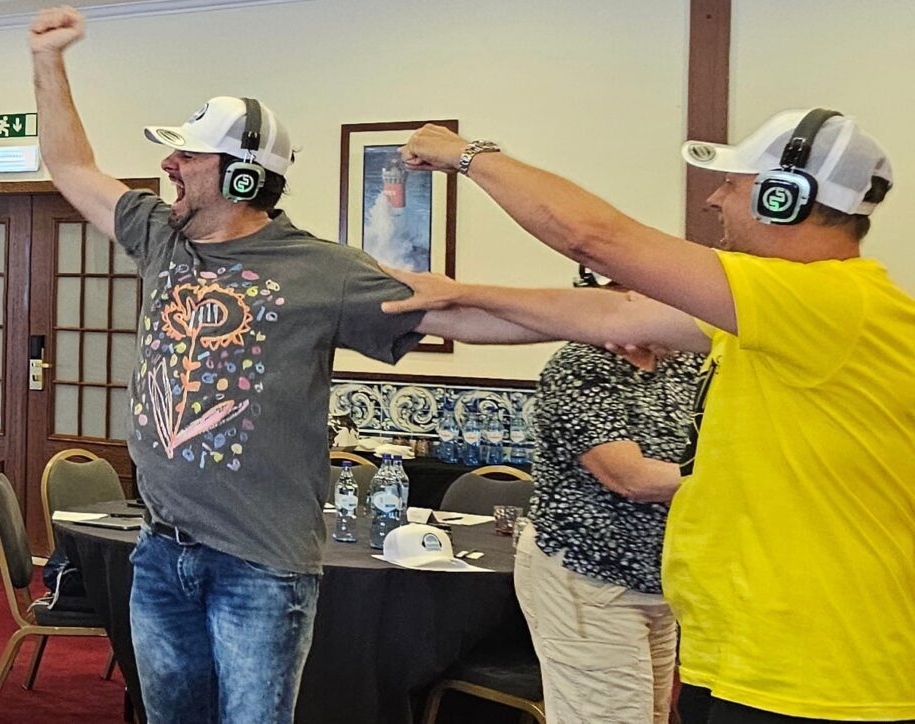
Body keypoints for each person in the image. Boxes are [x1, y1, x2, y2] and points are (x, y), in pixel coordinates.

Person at [27, 8, 550, 722]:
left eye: (189, 157)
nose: (168, 166)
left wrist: (600, 321)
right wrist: (48, 62)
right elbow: (69, 165)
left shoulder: (323, 271)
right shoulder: (161, 236)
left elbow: (457, 315)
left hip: (260, 566)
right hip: (160, 552)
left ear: (243, 179)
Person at [382, 110, 915, 722]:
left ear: (783, 197)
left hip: (819, 671)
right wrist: (454, 294)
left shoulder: (824, 300)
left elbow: (594, 237)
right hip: (759, 652)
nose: (715, 199)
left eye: (733, 184)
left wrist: (468, 154)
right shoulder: (783, 314)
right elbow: (612, 315)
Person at [514, 266, 702, 723]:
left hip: (658, 584)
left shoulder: (684, 362)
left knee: (653, 717)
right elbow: (629, 477)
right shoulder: (579, 367)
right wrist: (725, 478)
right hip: (589, 576)